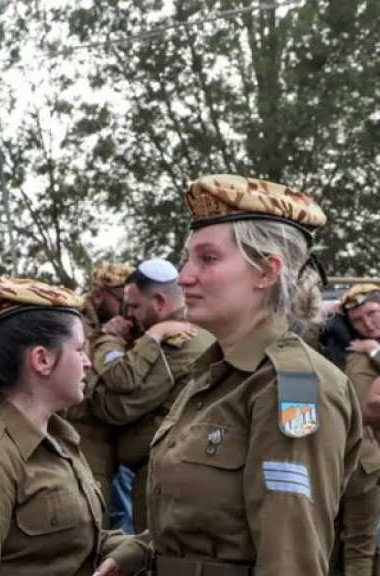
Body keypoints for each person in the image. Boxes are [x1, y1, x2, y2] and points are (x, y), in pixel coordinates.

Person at [98, 174, 364, 575]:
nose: (184, 276)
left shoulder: (290, 386)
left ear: (266, 272)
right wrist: (138, 551)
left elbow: (290, 559)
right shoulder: (212, 374)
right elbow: (211, 516)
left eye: (207, 258)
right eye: (188, 258)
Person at [0, 276, 150, 575]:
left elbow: (73, 542)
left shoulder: (59, 437)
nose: (88, 363)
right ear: (42, 359)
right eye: (79, 350)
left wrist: (136, 549)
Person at [88, 258, 215, 533]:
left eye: (134, 306)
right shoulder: (194, 330)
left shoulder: (177, 342)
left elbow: (115, 408)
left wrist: (107, 341)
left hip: (163, 476)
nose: (128, 315)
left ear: (158, 302)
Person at [64, 261, 134, 527]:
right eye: (122, 301)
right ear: (98, 296)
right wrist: (106, 337)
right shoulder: (76, 323)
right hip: (84, 444)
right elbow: (81, 378)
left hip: (110, 451)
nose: (127, 310)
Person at [332, 284, 380, 576]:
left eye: (373, 313)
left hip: (356, 458)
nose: (368, 324)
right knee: (359, 542)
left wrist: (375, 349)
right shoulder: (354, 355)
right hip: (364, 459)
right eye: (358, 321)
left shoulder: (365, 352)